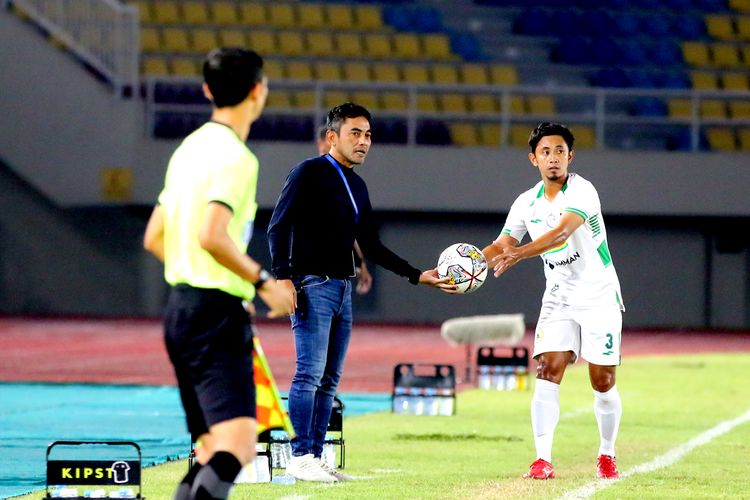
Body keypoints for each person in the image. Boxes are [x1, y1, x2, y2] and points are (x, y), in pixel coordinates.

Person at [268, 103, 454, 482]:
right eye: (355, 133)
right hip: (311, 285)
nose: (364, 142)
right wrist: (283, 277)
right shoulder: (309, 172)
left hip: (341, 289)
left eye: (368, 135)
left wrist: (417, 275)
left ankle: (316, 456)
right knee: (309, 373)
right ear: (332, 136)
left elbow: (371, 245)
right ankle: (299, 455)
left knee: (329, 379)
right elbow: (277, 225)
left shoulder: (357, 185)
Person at [143, 47, 295, 499]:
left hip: (181, 310)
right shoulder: (237, 157)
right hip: (213, 315)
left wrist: (219, 279)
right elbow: (212, 234)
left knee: (211, 448)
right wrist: (261, 283)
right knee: (239, 445)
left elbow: (155, 237)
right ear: (258, 91)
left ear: (208, 90)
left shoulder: (188, 149)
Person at [482, 122, 624, 480]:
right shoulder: (524, 202)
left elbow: (561, 233)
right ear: (534, 159)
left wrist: (519, 254)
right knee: (548, 370)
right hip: (559, 297)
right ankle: (542, 459)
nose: (553, 158)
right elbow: (501, 245)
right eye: (545, 152)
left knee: (602, 381)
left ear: (570, 156)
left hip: (599, 295)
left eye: (560, 151)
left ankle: (606, 453)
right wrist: (460, 266)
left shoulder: (582, 191)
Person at [316, 124, 373, 295]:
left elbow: (348, 228)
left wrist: (361, 263)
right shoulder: (310, 178)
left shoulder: (347, 183)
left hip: (337, 275)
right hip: (312, 275)